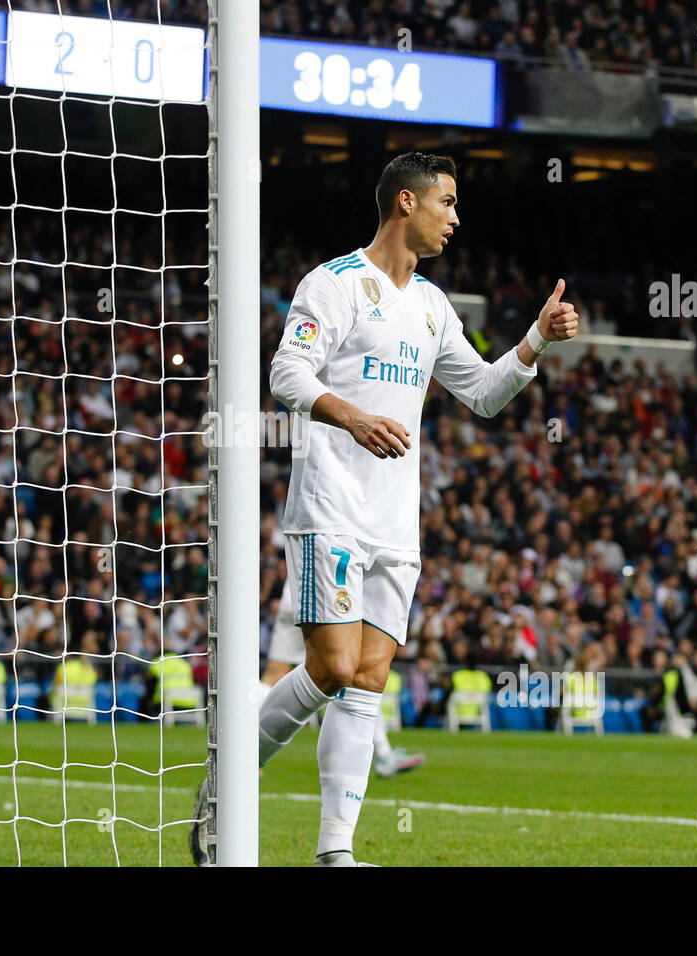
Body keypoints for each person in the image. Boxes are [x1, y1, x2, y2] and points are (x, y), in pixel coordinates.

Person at [191, 152, 577, 866]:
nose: (456, 218)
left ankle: (334, 852)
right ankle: (226, 784)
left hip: (395, 521)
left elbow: (486, 395)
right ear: (407, 202)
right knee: (332, 667)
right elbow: (286, 372)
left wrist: (535, 343)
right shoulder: (335, 284)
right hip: (331, 507)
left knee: (368, 680)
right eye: (448, 203)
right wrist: (352, 416)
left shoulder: (433, 307)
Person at [260, 577, 425, 778]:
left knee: (276, 673)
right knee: (359, 673)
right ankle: (248, 752)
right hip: (328, 591)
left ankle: (383, 753)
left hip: (299, 587)